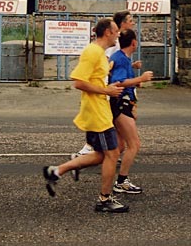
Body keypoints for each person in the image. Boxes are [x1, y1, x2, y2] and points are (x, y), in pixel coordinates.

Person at [42, 18, 128, 213]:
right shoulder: (92, 52)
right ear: (107, 32)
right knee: (112, 154)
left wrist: (109, 87)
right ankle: (104, 199)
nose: (118, 35)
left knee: (100, 155)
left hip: (99, 109)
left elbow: (95, 78)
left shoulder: (100, 53)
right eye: (116, 31)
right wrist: (106, 91)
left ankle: (56, 171)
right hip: (97, 112)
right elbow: (78, 81)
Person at [73, 11, 141, 159]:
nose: (133, 23)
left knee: (113, 136)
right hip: (108, 93)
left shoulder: (119, 41)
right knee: (108, 132)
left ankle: (104, 155)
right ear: (121, 24)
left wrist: (131, 68)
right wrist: (109, 86)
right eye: (130, 20)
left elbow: (116, 64)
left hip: (109, 93)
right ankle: (88, 153)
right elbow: (109, 64)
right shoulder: (110, 45)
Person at [109, 29, 153, 194]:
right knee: (134, 144)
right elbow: (119, 82)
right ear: (133, 43)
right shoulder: (121, 59)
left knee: (119, 146)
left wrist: (135, 77)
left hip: (124, 104)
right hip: (122, 104)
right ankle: (121, 181)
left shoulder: (123, 58)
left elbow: (124, 78)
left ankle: (81, 163)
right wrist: (140, 78)